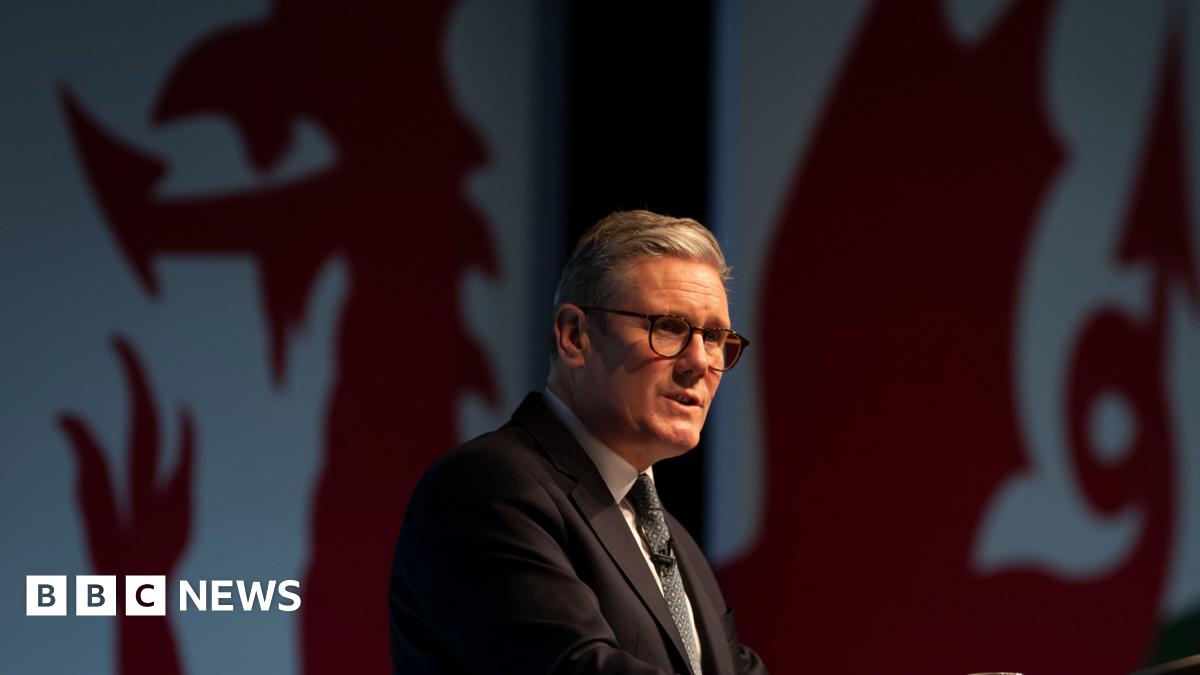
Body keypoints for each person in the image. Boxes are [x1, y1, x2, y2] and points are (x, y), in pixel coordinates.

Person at [389, 210, 768, 674]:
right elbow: (576, 667)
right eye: (668, 327)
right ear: (575, 337)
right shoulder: (486, 489)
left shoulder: (675, 541)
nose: (699, 362)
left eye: (713, 336)